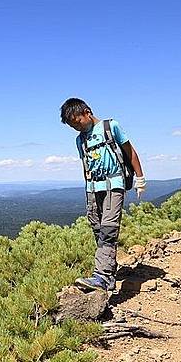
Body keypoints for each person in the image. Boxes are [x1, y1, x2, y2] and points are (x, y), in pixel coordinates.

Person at [60, 98, 146, 292]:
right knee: (98, 230)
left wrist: (140, 178)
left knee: (108, 229)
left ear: (87, 112)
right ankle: (109, 270)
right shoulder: (80, 139)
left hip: (113, 185)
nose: (76, 127)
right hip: (92, 188)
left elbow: (130, 152)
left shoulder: (110, 126)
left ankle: (103, 277)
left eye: (77, 122)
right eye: (72, 126)